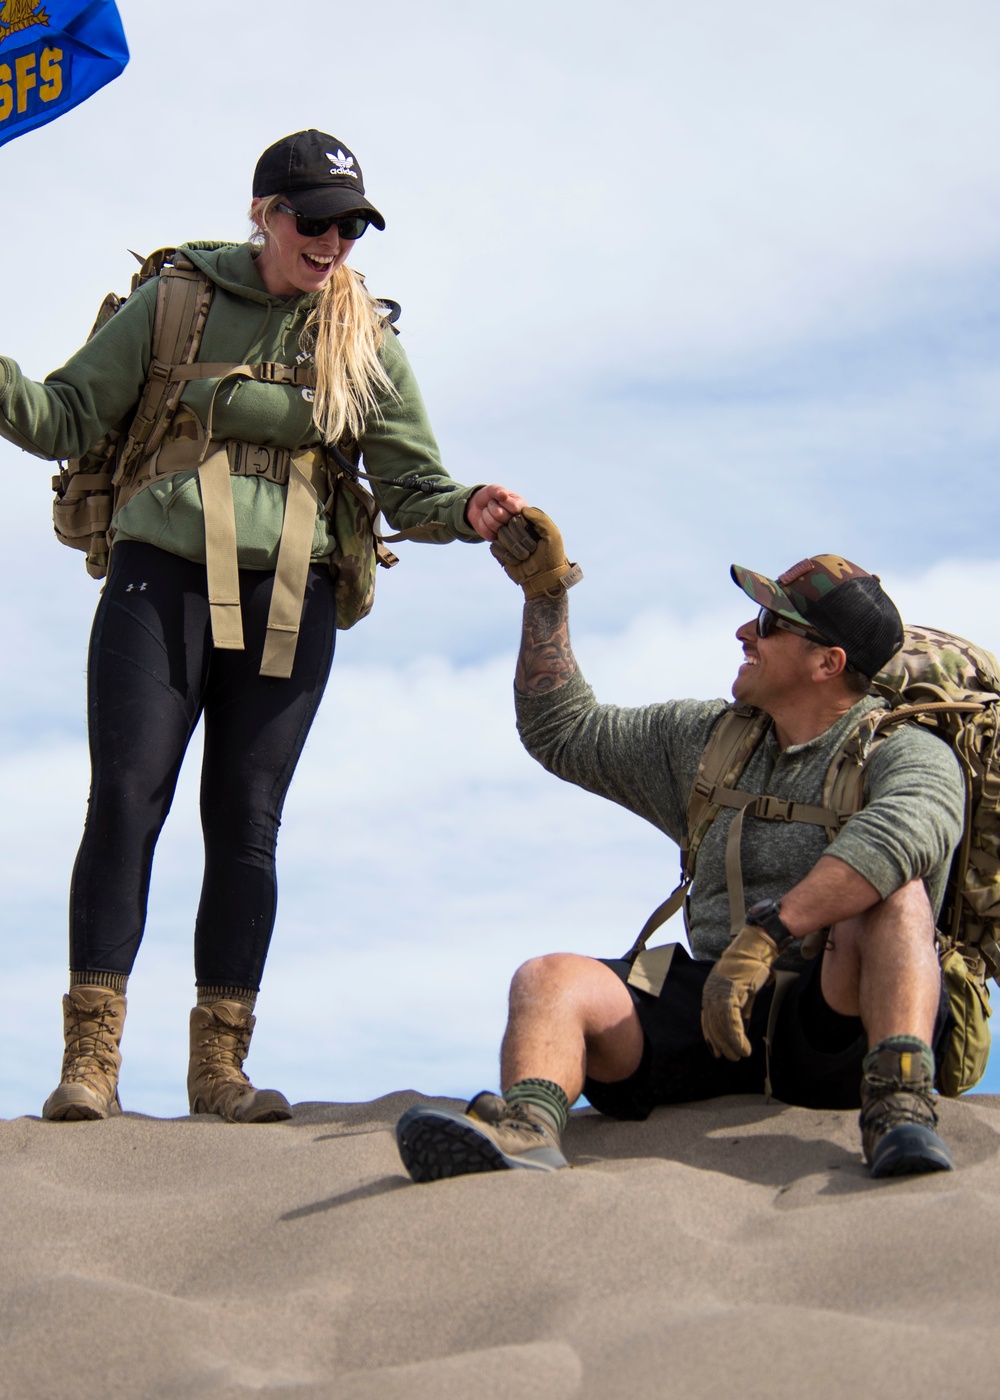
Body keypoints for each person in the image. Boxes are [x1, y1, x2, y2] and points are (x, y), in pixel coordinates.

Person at [1, 128, 525, 1123]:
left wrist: (470, 511)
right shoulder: (178, 301)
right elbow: (65, 415)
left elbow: (411, 482)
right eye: (313, 221)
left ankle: (218, 1072)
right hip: (163, 580)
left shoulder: (363, 336)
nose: (332, 242)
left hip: (295, 595)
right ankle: (91, 1063)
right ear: (264, 215)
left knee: (245, 824)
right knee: (124, 797)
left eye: (350, 227)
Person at [396, 532, 966, 1180]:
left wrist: (767, 933)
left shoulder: (907, 752)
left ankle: (900, 1111)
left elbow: (898, 836)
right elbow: (564, 731)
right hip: (714, 1012)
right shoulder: (708, 740)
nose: (743, 633)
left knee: (895, 896)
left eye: (769, 623)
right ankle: (527, 1131)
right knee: (548, 978)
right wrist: (545, 594)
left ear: (828, 662)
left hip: (838, 1019)